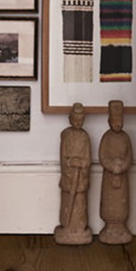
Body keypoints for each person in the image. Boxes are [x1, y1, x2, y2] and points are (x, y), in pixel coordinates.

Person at [54, 102, 93, 245]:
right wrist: (71, 163)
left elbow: (88, 159)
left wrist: (82, 164)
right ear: (70, 119)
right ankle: (67, 226)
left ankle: (79, 228)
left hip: (80, 178)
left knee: (80, 203)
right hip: (69, 177)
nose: (78, 123)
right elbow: (63, 157)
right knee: (67, 202)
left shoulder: (85, 137)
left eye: (81, 120)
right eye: (75, 119)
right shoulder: (66, 135)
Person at [98, 100, 133, 244]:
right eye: (115, 121)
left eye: (120, 120)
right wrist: (112, 166)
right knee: (109, 202)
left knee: (121, 203)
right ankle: (109, 226)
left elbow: (129, 157)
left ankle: (120, 227)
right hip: (109, 177)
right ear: (109, 121)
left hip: (122, 177)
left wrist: (122, 166)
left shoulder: (125, 138)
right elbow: (102, 157)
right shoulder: (106, 137)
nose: (118, 124)